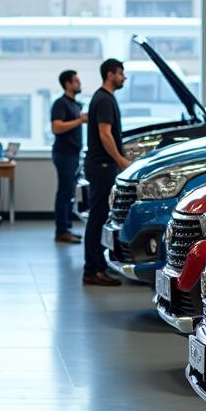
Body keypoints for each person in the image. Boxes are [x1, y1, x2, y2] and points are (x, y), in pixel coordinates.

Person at [83, 58, 131, 287]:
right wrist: (120, 159)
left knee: (99, 217)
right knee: (97, 218)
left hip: (101, 165)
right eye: (121, 73)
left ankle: (96, 267)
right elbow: (105, 134)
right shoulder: (103, 100)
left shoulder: (103, 98)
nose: (124, 78)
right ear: (110, 74)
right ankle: (93, 270)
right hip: (101, 166)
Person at [50, 69, 87, 245]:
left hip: (73, 153)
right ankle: (62, 231)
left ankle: (66, 228)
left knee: (69, 192)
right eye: (76, 81)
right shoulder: (61, 104)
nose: (79, 83)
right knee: (64, 192)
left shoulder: (74, 104)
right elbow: (57, 127)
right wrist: (80, 120)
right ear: (67, 84)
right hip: (64, 153)